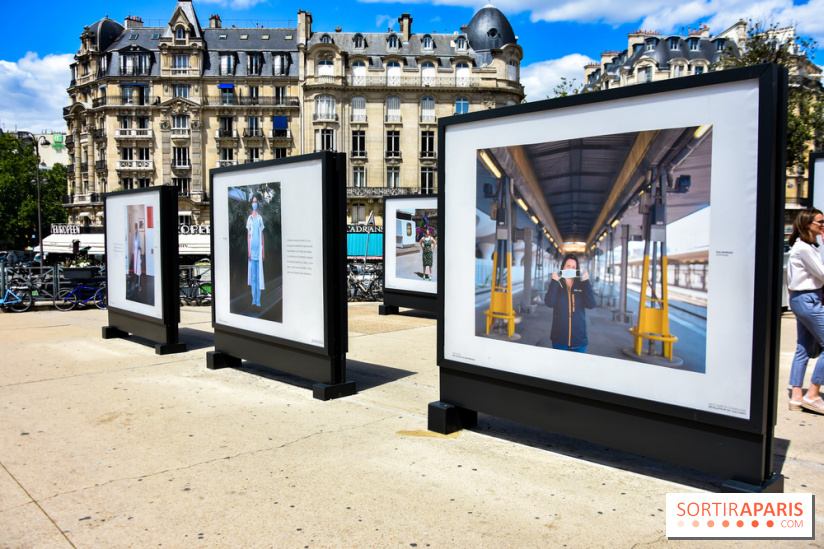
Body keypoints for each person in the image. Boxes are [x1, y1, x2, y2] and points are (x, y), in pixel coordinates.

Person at [787, 208, 824, 414]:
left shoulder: (805, 247)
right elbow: (822, 273)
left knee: (803, 349)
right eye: (820, 222)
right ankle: (813, 394)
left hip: (803, 299)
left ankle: (796, 397)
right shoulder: (804, 249)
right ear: (807, 224)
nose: (822, 225)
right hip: (808, 299)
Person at [544, 254, 596, 352]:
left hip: (579, 340)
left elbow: (591, 304)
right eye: (568, 266)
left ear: (577, 270)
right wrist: (554, 281)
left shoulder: (581, 285)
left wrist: (586, 282)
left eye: (573, 267)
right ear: (563, 267)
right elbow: (549, 303)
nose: (570, 269)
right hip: (559, 339)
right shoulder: (557, 284)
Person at [246, 194, 265, 307]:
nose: (254, 203)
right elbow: (248, 236)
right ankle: (253, 300)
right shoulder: (249, 219)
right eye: (253, 201)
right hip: (252, 253)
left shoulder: (260, 218)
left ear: (258, 204)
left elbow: (262, 235)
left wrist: (263, 251)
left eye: (256, 201)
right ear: (251, 203)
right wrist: (248, 250)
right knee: (253, 278)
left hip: (259, 252)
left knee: (259, 277)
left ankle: (258, 301)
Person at [132, 223, 142, 291]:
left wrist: (140, 248)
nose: (136, 228)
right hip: (135, 250)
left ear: (137, 227)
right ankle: (136, 272)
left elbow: (140, 242)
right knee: (135, 262)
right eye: (135, 227)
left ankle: (139, 272)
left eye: (136, 227)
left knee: (138, 262)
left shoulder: (139, 235)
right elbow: (133, 244)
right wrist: (133, 252)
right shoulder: (133, 235)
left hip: (138, 250)